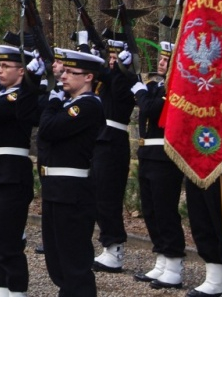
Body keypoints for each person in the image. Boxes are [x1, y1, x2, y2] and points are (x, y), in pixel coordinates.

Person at [0, 43, 41, 297]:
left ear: (22, 71)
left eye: (5, 66)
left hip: (11, 174)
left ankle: (17, 292)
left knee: (9, 241)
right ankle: (2, 291)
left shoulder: (20, 96)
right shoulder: (1, 95)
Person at [37, 47, 105, 296]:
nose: (63, 76)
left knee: (74, 260)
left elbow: (48, 129)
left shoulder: (88, 106)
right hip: (55, 189)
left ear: (88, 77)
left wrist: (53, 100)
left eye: (70, 72)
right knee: (56, 259)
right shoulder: (68, 104)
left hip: (72, 193)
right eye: (62, 71)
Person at [131, 41, 186, 289]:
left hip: (165, 155)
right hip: (148, 153)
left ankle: (174, 264)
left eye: (167, 59)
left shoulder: (176, 87)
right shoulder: (158, 86)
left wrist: (141, 92)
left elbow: (152, 109)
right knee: (151, 210)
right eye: (162, 59)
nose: (161, 63)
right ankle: (162, 260)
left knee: (165, 210)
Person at [92, 38, 140, 273]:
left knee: (108, 197)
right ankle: (106, 245)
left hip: (113, 142)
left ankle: (115, 247)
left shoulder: (128, 79)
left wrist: (121, 68)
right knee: (97, 196)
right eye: (109, 58)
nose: (112, 63)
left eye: (116, 58)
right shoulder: (109, 80)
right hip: (100, 138)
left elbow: (116, 82)